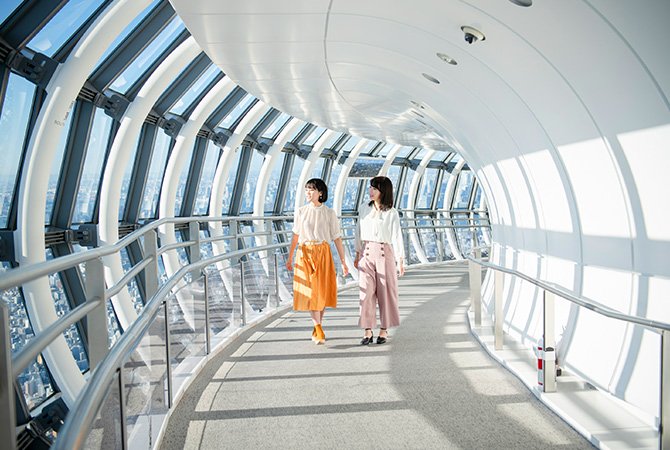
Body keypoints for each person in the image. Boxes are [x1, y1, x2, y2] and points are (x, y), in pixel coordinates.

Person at [286, 178, 349, 344]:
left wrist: (343, 261)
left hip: (323, 252)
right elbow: (296, 235)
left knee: (320, 292)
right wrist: (290, 256)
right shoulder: (300, 211)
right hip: (304, 252)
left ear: (320, 193)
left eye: (312, 189)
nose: (308, 192)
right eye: (307, 189)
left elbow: (337, 238)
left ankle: (317, 326)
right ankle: (319, 328)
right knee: (311, 292)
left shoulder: (329, 213)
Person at [353, 176, 405, 345]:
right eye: (370, 188)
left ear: (384, 191)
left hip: (385, 253)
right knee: (366, 292)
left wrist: (400, 260)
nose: (371, 191)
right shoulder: (363, 209)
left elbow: (397, 236)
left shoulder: (391, 212)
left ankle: (384, 329)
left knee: (386, 293)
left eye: (374, 189)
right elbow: (358, 231)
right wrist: (357, 253)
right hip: (366, 253)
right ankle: (367, 329)